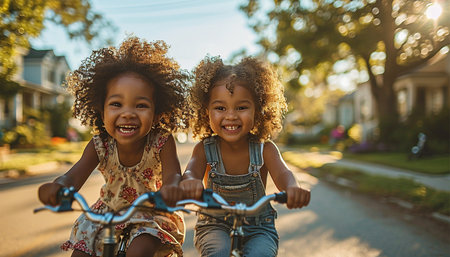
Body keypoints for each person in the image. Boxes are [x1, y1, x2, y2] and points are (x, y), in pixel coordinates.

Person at [38, 37, 189, 257]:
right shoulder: (100, 145)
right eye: (116, 104)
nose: (127, 113)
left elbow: (173, 175)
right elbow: (73, 177)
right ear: (102, 112)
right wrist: (58, 186)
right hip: (107, 212)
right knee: (80, 253)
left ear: (157, 113)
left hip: (150, 214)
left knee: (140, 250)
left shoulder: (162, 142)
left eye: (141, 105)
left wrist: (172, 188)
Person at [180, 56, 311, 257]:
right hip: (214, 225)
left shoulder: (264, 149)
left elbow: (283, 173)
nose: (231, 115)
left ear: (257, 111)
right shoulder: (203, 149)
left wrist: (292, 188)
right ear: (207, 112)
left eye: (241, 107)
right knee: (218, 252)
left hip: (259, 227)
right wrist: (189, 181)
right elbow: (191, 170)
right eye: (220, 108)